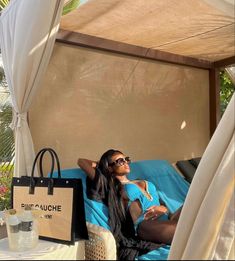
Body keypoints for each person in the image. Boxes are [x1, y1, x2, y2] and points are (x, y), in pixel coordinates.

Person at [77, 149, 183, 259]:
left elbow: (159, 202)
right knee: (187, 231)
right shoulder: (112, 186)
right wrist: (103, 165)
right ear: (109, 167)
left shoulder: (138, 181)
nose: (125, 163)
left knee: (196, 207)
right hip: (144, 225)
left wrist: (163, 208)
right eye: (120, 161)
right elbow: (82, 162)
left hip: (168, 218)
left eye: (126, 159)